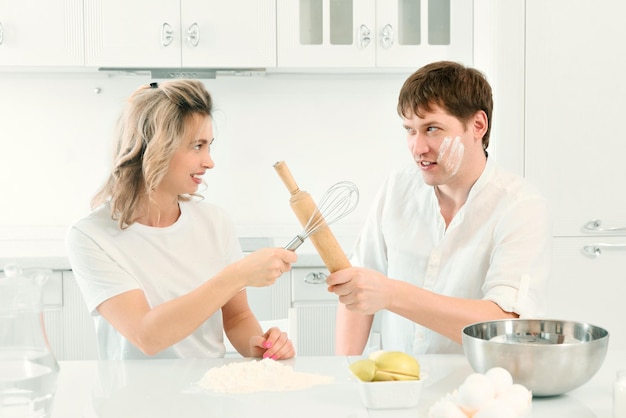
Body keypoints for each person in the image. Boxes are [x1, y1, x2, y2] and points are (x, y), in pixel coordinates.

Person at [328, 61, 551, 355]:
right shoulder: (397, 188)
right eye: (410, 130)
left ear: (478, 126)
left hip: (477, 391)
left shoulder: (520, 206)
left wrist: (392, 294)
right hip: (397, 384)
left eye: (432, 129)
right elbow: (357, 292)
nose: (417, 148)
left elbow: (503, 324)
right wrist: (347, 371)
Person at [65, 79, 297, 360]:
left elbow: (237, 317)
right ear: (155, 147)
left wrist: (258, 346)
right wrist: (237, 275)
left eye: (209, 146)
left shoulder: (215, 222)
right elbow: (146, 336)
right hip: (131, 399)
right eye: (197, 146)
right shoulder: (91, 236)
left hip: (210, 395)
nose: (209, 161)